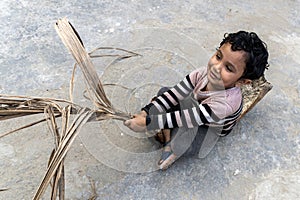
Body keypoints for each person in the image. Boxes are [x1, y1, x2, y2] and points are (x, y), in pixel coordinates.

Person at [124, 31, 269, 170]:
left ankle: (170, 146)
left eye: (228, 68)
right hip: (195, 109)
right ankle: (167, 134)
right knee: (164, 93)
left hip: (209, 127)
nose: (216, 67)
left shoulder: (226, 103)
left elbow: (190, 118)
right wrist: (146, 112)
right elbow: (175, 94)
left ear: (242, 82)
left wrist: (149, 123)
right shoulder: (202, 73)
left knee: (182, 143)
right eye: (218, 56)